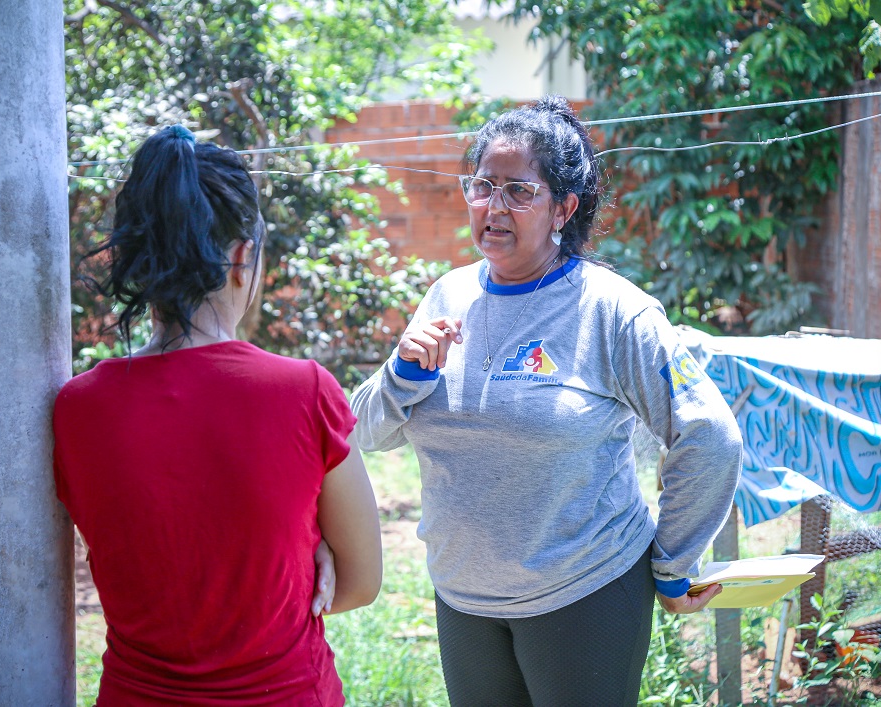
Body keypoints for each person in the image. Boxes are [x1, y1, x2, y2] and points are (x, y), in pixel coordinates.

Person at [350, 96, 744, 706]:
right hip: (463, 599)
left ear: (564, 207)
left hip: (584, 596)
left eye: (518, 191)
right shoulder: (446, 296)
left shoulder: (613, 311)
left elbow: (710, 435)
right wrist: (402, 373)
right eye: (482, 186)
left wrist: (672, 563)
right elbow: (361, 433)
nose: (494, 207)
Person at [53, 125, 383, 706]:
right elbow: (359, 582)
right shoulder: (304, 392)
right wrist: (307, 553)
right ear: (241, 258)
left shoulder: (77, 409)